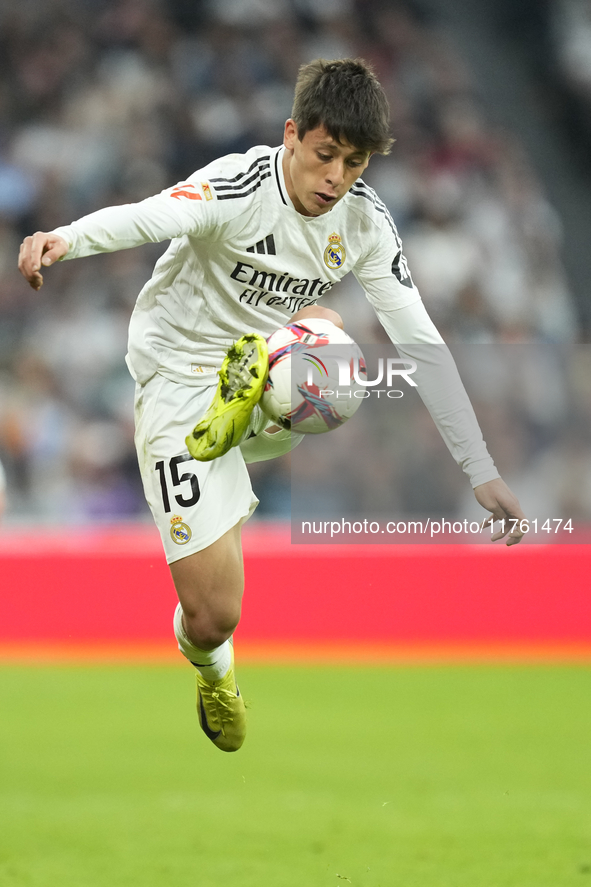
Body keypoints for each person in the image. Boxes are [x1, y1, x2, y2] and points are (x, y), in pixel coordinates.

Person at [18, 58, 526, 753]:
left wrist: (481, 469)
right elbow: (148, 216)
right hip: (175, 376)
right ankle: (213, 672)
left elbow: (422, 343)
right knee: (212, 615)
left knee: (339, 364)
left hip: (266, 369)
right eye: (324, 155)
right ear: (291, 134)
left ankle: (252, 397)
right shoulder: (237, 185)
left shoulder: (366, 223)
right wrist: (65, 240)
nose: (335, 178)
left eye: (353, 163)